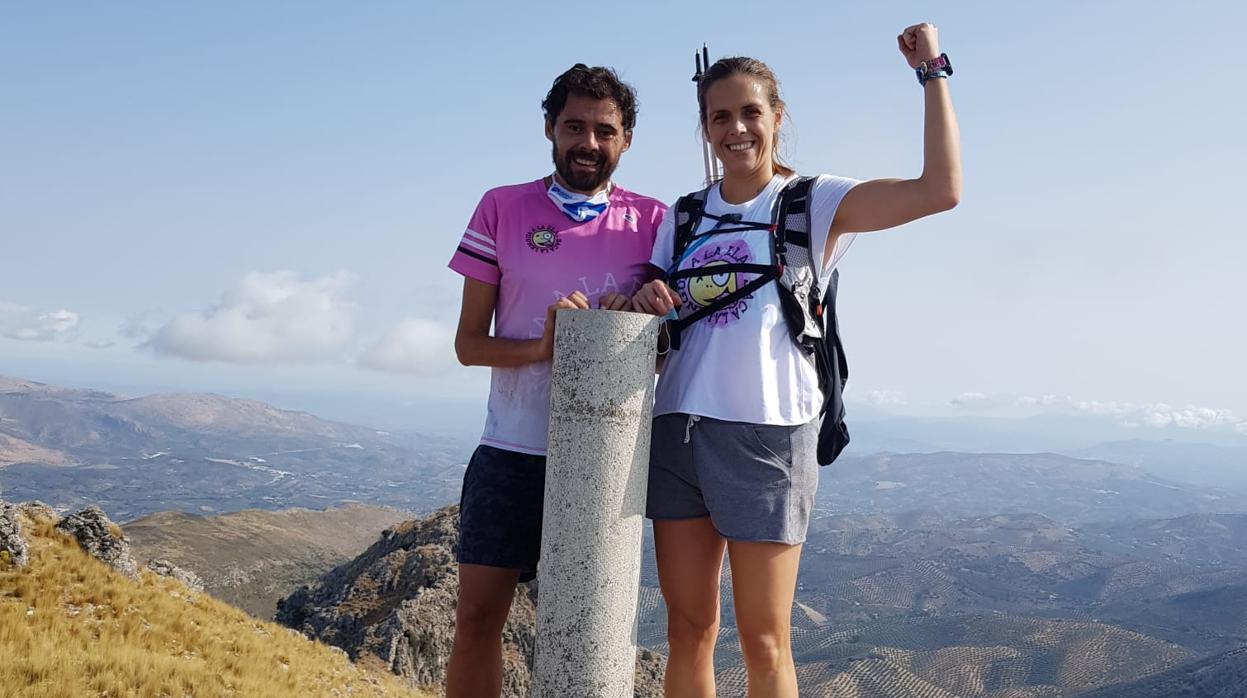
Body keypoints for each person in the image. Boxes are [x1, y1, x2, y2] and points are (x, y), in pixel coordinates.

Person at [630, 24, 961, 697]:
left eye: (750, 112)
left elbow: (939, 190)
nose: (736, 129)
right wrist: (645, 299)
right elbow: (654, 321)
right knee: (687, 631)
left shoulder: (812, 202)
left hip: (768, 435)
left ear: (776, 116)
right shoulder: (682, 216)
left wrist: (932, 72)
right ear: (704, 127)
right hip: (677, 431)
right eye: (719, 117)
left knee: (764, 641)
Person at [444, 64, 667, 697]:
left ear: (627, 140)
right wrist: (544, 347)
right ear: (549, 128)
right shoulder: (502, 207)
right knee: (477, 620)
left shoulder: (655, 220)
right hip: (511, 450)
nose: (588, 144)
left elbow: (664, 354)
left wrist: (638, 325)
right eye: (574, 127)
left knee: (593, 634)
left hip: (607, 459)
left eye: (605, 131)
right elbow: (468, 345)